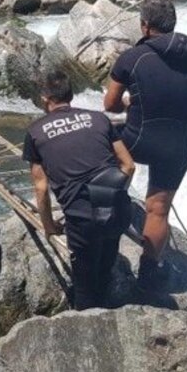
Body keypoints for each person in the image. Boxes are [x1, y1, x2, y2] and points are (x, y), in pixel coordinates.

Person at [103, 0, 187, 288]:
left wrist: (131, 104)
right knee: (158, 209)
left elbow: (110, 105)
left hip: (137, 140)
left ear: (145, 26)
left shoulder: (133, 57)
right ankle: (148, 272)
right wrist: (184, 111)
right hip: (176, 145)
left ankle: (108, 211)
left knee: (102, 140)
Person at [23, 70, 136, 311]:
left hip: (83, 221)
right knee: (104, 272)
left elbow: (41, 188)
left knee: (85, 290)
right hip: (117, 211)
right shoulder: (99, 118)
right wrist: (113, 195)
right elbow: (128, 166)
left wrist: (48, 225)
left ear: (45, 99)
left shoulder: (35, 132)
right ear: (71, 95)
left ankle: (89, 324)